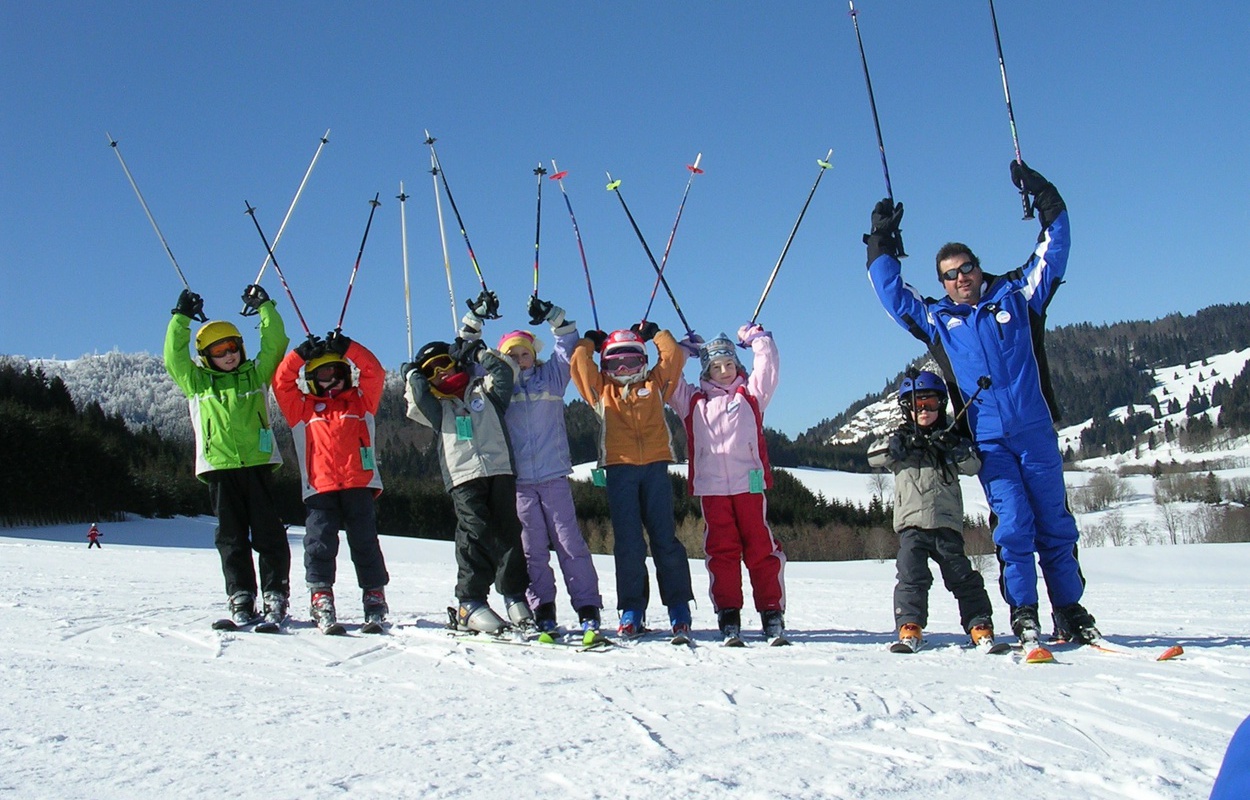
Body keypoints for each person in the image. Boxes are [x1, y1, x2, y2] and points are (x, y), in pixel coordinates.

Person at [865, 160, 1098, 648]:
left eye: (966, 269)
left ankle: (1071, 611)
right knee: (1013, 527)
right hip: (988, 440)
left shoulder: (1018, 295)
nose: (959, 279)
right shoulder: (938, 319)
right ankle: (1025, 613)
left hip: (1034, 430)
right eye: (949, 276)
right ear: (943, 283)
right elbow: (892, 294)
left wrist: (1046, 196)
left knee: (1055, 523)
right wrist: (881, 241)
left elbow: (1056, 248)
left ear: (977, 266)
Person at [461, 294, 605, 644]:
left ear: (534, 355)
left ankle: (588, 608)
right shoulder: (497, 385)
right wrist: (475, 318)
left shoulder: (552, 378)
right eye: (511, 355)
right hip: (520, 483)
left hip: (554, 477)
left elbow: (568, 344)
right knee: (532, 550)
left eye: (525, 353)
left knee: (570, 544)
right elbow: (466, 352)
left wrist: (553, 315)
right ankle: (543, 610)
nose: (520, 360)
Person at [402, 295, 533, 636]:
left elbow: (504, 370)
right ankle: (470, 601)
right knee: (475, 533)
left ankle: (515, 596)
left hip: (499, 469)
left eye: (445, 363)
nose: (442, 372)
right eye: (433, 371)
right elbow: (415, 397)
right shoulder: (436, 408)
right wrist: (413, 374)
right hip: (464, 476)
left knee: (509, 533)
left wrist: (475, 353)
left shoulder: (484, 392)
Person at [164, 284, 291, 629]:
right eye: (220, 351)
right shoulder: (197, 383)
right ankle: (241, 595)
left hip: (258, 463)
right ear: (207, 355)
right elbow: (173, 358)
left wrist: (265, 308)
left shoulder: (255, 374)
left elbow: (276, 344)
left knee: (268, 533)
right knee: (231, 537)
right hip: (219, 467)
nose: (229, 355)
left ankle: (275, 593)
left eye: (233, 347)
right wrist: (181, 318)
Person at [569, 320, 695, 639]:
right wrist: (588, 342)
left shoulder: (655, 385)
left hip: (654, 468)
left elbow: (673, 359)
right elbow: (579, 367)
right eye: (615, 362)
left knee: (665, 538)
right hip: (620, 470)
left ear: (643, 359)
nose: (624, 368)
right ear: (605, 364)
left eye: (632, 360)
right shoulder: (602, 391)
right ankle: (632, 608)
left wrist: (655, 334)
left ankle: (678, 606)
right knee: (628, 542)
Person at [668, 325, 786, 645]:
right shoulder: (693, 402)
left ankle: (771, 612)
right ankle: (728, 612)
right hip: (713, 488)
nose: (723, 371)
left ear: (738, 365)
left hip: (749, 484)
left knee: (761, 547)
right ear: (706, 369)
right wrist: (680, 353)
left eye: (729, 364)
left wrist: (758, 340)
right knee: (721, 551)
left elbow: (769, 367)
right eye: (716, 367)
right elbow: (668, 381)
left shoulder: (751, 395)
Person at [867, 370, 996, 652]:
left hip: (946, 522)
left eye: (930, 404)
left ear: (941, 405)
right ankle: (909, 625)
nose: (924, 411)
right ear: (907, 409)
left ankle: (979, 624)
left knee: (960, 574)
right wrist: (897, 445)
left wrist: (955, 449)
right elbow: (873, 456)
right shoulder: (899, 441)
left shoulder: (950, 440)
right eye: (917, 405)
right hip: (912, 524)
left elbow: (974, 466)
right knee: (911, 574)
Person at [273, 329, 389, 633]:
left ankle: (374, 595)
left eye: (339, 371)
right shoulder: (302, 408)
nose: (333, 379)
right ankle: (321, 595)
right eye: (324, 374)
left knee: (365, 542)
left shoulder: (361, 404)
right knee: (319, 544)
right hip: (319, 488)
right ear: (311, 378)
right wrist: (299, 354)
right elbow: (281, 382)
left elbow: (373, 372)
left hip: (358, 484)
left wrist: (348, 347)